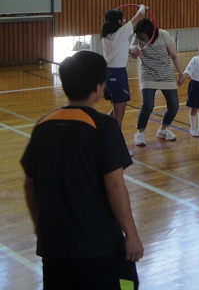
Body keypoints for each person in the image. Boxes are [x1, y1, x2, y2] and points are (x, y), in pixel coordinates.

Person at [21, 51, 143, 289]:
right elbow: (114, 185)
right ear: (98, 88)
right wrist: (131, 234)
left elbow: (29, 184)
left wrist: (40, 227)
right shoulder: (104, 126)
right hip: (98, 247)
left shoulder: (43, 125)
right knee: (126, 285)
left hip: (54, 248)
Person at [130, 18, 183, 146]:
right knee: (148, 105)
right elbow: (131, 47)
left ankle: (163, 130)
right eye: (139, 36)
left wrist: (181, 73)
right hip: (148, 74)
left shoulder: (163, 35)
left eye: (143, 36)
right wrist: (133, 49)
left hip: (166, 74)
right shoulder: (137, 36)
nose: (141, 38)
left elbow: (174, 55)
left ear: (150, 32)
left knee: (174, 106)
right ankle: (139, 133)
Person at [101, 4, 147, 128]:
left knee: (114, 112)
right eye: (123, 19)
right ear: (119, 22)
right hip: (118, 75)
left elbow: (118, 49)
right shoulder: (121, 32)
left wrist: (131, 50)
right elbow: (140, 15)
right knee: (118, 117)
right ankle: (115, 140)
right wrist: (142, 6)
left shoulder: (106, 36)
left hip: (107, 74)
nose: (125, 21)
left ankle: (102, 132)